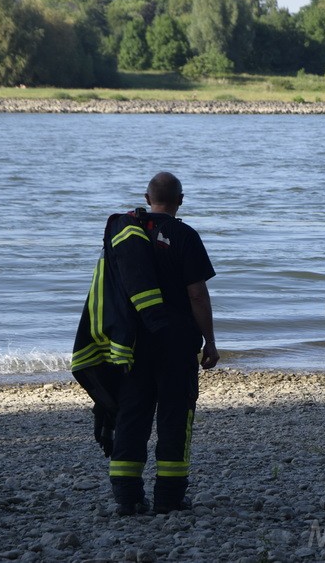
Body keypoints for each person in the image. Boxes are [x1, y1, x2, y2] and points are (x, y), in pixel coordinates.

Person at [108, 172, 219, 516]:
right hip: (176, 343)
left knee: (131, 415)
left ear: (146, 197)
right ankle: (169, 497)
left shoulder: (124, 234)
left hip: (133, 341)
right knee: (175, 415)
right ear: (181, 200)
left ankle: (127, 497)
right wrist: (210, 343)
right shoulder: (184, 234)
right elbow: (197, 294)